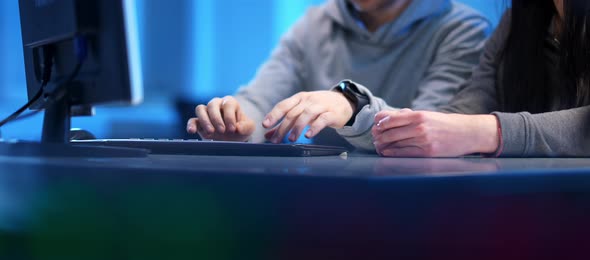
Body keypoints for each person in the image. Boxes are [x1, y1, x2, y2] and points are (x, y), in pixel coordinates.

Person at [186, 0, 491, 148]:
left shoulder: (463, 30)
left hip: (414, 206)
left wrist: (352, 107)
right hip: (324, 200)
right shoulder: (314, 24)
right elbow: (260, 99)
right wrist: (237, 124)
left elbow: (428, 135)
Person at [372, 0, 590, 157]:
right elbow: (469, 106)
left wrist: (487, 131)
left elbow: (468, 125)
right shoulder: (520, 21)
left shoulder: (460, 25)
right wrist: (389, 127)